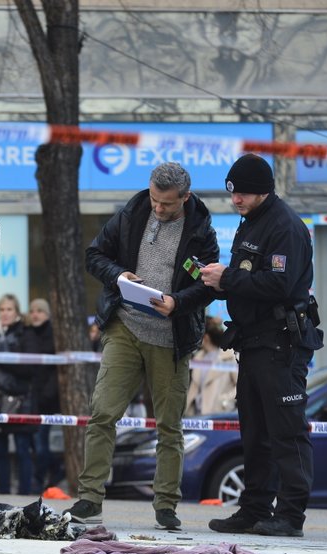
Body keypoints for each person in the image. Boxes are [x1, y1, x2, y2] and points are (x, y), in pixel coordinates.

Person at [64, 162, 219, 530]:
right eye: (154, 199)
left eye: (166, 204)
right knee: (102, 412)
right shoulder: (132, 214)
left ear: (185, 197)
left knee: (169, 425)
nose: (158, 209)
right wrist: (118, 276)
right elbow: (94, 255)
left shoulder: (201, 232)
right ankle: (90, 499)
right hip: (125, 328)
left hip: (171, 338)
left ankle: (166, 505)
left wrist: (177, 302)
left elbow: (210, 285)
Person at [199, 153, 323, 538]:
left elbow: (279, 285)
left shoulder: (284, 226)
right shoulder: (250, 222)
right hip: (253, 344)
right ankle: (254, 509)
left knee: (286, 432)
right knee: (254, 432)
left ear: (264, 189)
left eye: (244, 193)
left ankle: (290, 514)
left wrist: (228, 279)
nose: (236, 199)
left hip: (280, 345)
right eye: (233, 193)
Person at [0, 294, 38, 495]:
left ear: (17, 312)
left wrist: (2, 359)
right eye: (2, 309)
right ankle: (3, 494)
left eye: (9, 309)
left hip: (21, 399)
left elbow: (29, 369)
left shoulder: (26, 333)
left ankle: (24, 495)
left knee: (22, 451)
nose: (5, 313)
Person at [27, 298, 63, 490]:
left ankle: (40, 481)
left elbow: (55, 371)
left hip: (46, 400)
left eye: (39, 311)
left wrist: (47, 395)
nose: (35, 314)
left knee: (40, 446)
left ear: (47, 314)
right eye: (32, 311)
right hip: (30, 399)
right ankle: (53, 471)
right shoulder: (27, 333)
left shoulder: (54, 335)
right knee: (35, 445)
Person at [185, 317, 238, 416]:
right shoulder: (198, 358)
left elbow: (239, 384)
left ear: (206, 338)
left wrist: (225, 401)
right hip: (195, 416)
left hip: (219, 415)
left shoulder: (229, 357)